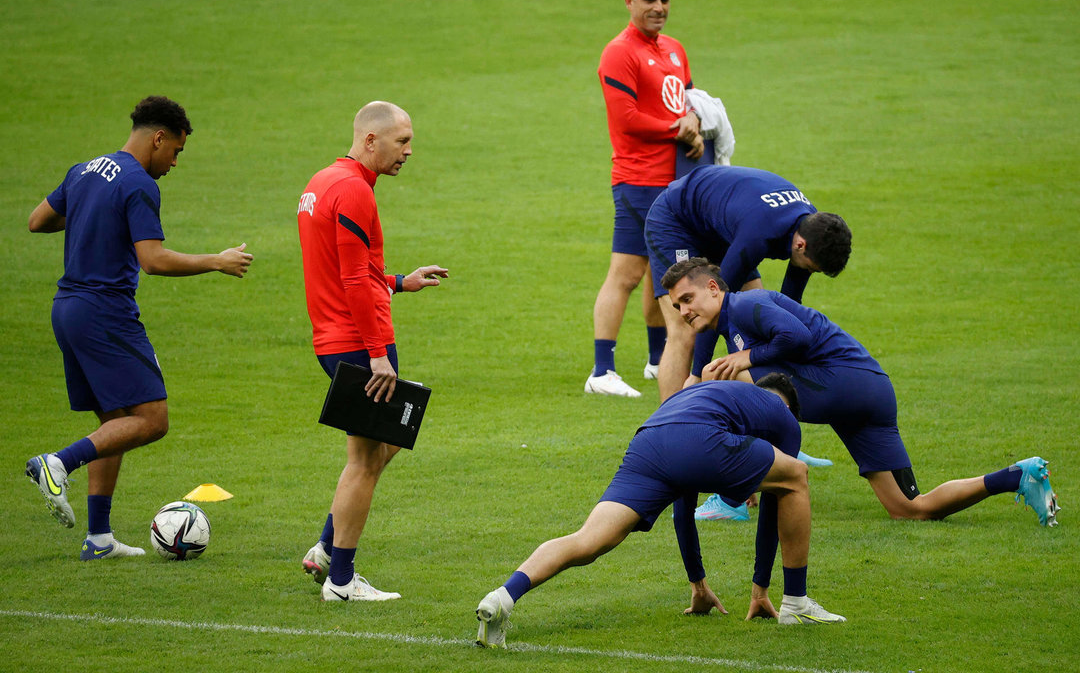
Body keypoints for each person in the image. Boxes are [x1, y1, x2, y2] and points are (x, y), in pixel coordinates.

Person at [661, 258, 1060, 526]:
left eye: (688, 299)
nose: (683, 312)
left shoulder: (747, 304)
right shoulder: (726, 323)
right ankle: (1017, 476)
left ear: (713, 288)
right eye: (677, 306)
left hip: (843, 383)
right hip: (869, 396)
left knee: (728, 375)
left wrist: (747, 357)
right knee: (908, 509)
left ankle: (736, 494)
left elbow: (796, 336)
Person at [24, 96, 253, 560]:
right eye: (176, 152)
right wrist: (217, 260)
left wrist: (91, 217)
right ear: (158, 138)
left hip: (66, 308)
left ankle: (100, 539)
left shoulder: (84, 170)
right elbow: (152, 260)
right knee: (151, 420)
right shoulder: (137, 182)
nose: (173, 163)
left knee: (115, 421)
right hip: (105, 312)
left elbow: (37, 221)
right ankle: (57, 463)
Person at [475, 376, 846, 648]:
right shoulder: (782, 417)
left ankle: (503, 597)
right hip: (697, 438)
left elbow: (683, 506)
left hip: (649, 440)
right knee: (795, 477)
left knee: (587, 540)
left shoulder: (711, 396)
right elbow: (774, 510)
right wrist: (759, 589)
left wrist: (698, 585)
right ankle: (797, 602)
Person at [297, 101, 448, 602]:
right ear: (370, 140)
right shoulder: (356, 191)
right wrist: (379, 353)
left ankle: (325, 548)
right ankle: (340, 580)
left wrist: (401, 282)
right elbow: (356, 282)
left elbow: (347, 267)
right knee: (365, 459)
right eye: (401, 141)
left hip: (335, 338)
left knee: (391, 439)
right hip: (358, 344)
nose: (409, 151)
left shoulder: (322, 182)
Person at [585, 0, 706, 398]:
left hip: (671, 177)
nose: (659, 7)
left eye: (665, 0)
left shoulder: (674, 49)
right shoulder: (620, 52)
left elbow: (688, 100)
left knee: (630, 271)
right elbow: (627, 118)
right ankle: (608, 371)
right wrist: (678, 129)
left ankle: (651, 363)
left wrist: (692, 121)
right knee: (668, 273)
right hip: (641, 180)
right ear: (630, 1)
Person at [645, 164, 852, 402]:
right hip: (677, 219)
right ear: (800, 245)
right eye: (809, 268)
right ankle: (670, 427)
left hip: (722, 225)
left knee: (758, 314)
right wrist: (697, 373)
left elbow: (786, 302)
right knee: (687, 328)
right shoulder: (759, 234)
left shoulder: (812, 226)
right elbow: (717, 299)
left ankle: (758, 412)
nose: (806, 272)